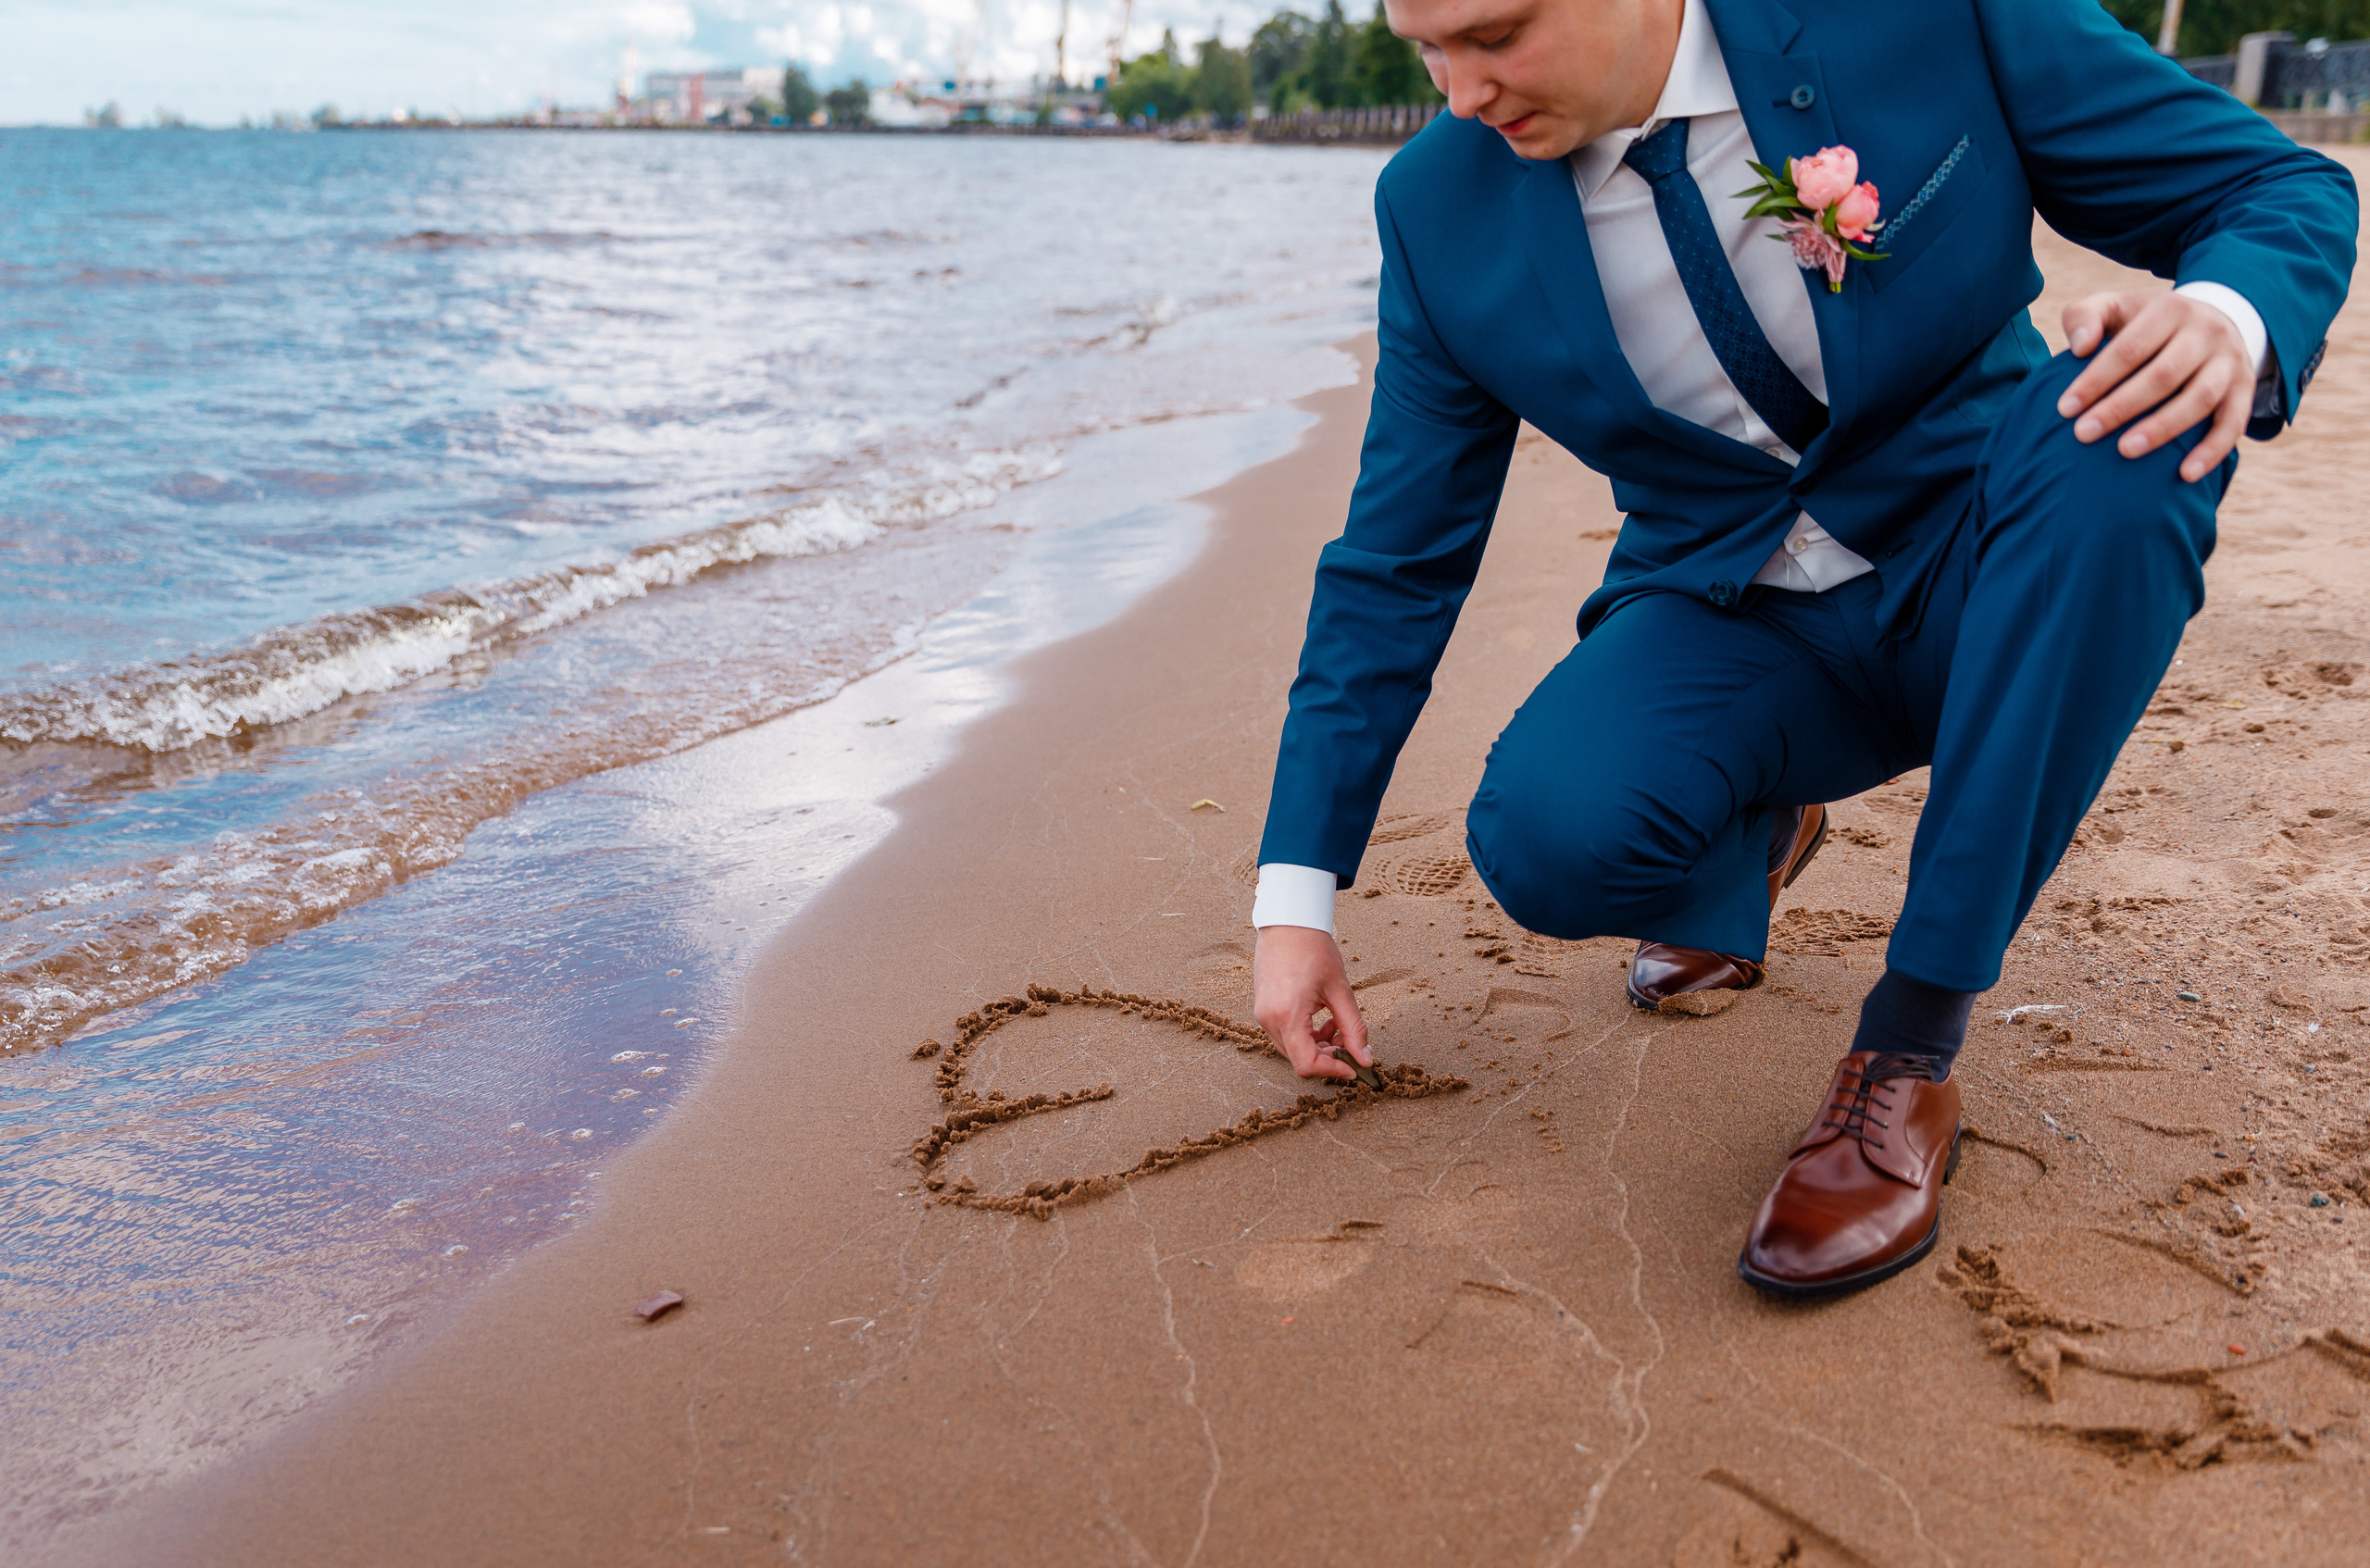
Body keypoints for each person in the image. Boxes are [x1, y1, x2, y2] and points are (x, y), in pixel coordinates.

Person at [1248, 0, 2356, 1298]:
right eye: (1426, 48)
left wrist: (2223, 316)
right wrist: (1295, 899)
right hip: (1738, 615)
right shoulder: (1437, 206)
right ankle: (1762, 821)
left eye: (1494, 35)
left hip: (1991, 567)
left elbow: (2274, 186)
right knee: (1550, 834)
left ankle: (1907, 1052)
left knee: (2126, 439)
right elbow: (1397, 562)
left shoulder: (1920, 15)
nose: (1460, 93)